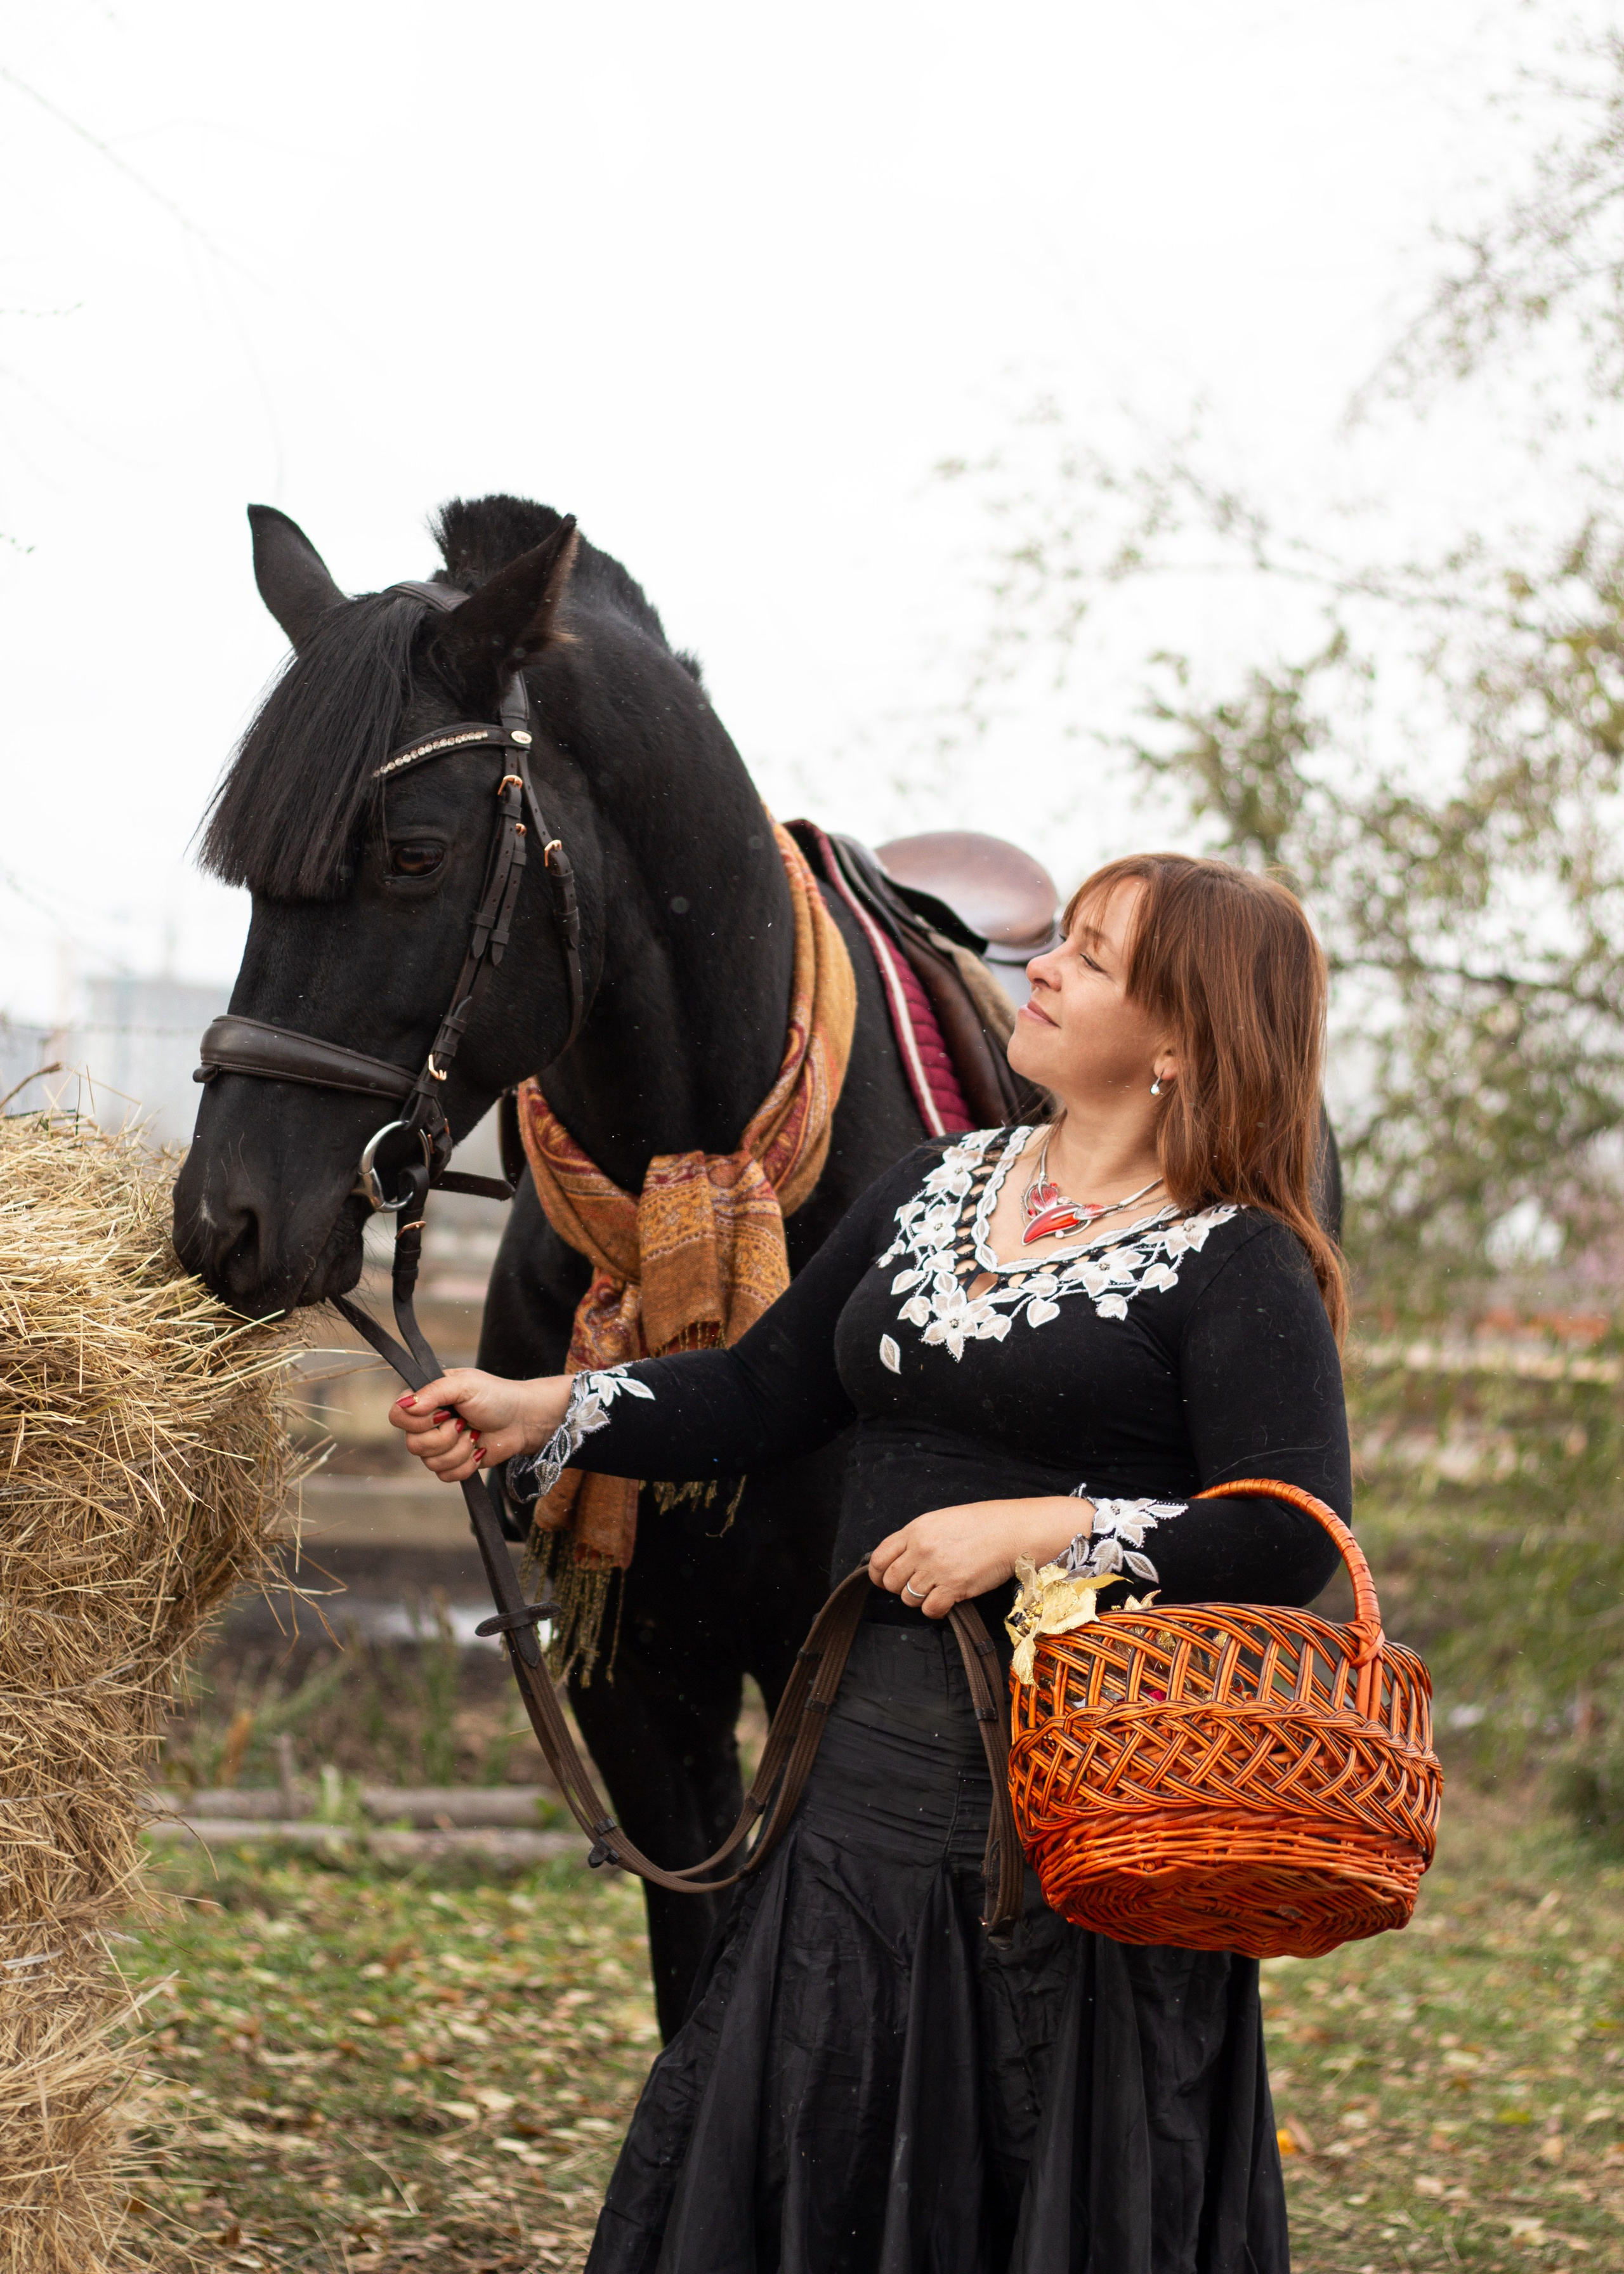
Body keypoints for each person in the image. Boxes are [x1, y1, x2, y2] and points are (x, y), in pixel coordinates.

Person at [391, 853, 1352, 2274]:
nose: (1043, 966)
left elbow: (1286, 1530)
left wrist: (1046, 1527)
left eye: (1090, 958)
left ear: (1179, 1039)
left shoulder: (1235, 1261)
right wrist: (551, 1410)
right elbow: (767, 1391)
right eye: (1063, 940)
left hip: (1073, 1839)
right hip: (850, 1804)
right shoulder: (934, 1185)